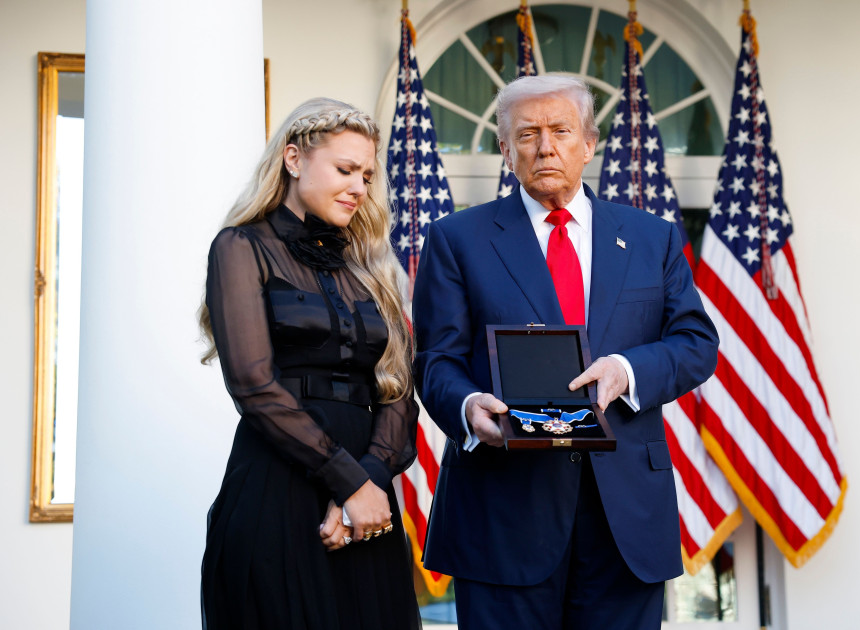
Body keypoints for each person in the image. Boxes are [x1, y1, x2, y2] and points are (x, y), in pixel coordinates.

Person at [412, 75, 719, 629]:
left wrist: (626, 370)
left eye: (560, 130)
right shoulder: (456, 239)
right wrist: (468, 407)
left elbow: (696, 343)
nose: (545, 147)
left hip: (625, 516)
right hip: (504, 512)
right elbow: (436, 362)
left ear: (589, 144)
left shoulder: (652, 237)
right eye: (527, 134)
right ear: (505, 150)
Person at [199, 97, 421, 630]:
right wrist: (348, 483)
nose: (359, 188)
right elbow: (253, 384)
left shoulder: (372, 265)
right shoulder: (240, 246)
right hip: (278, 485)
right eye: (345, 170)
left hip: (369, 500)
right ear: (294, 159)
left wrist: (369, 482)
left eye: (367, 176)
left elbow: (397, 390)